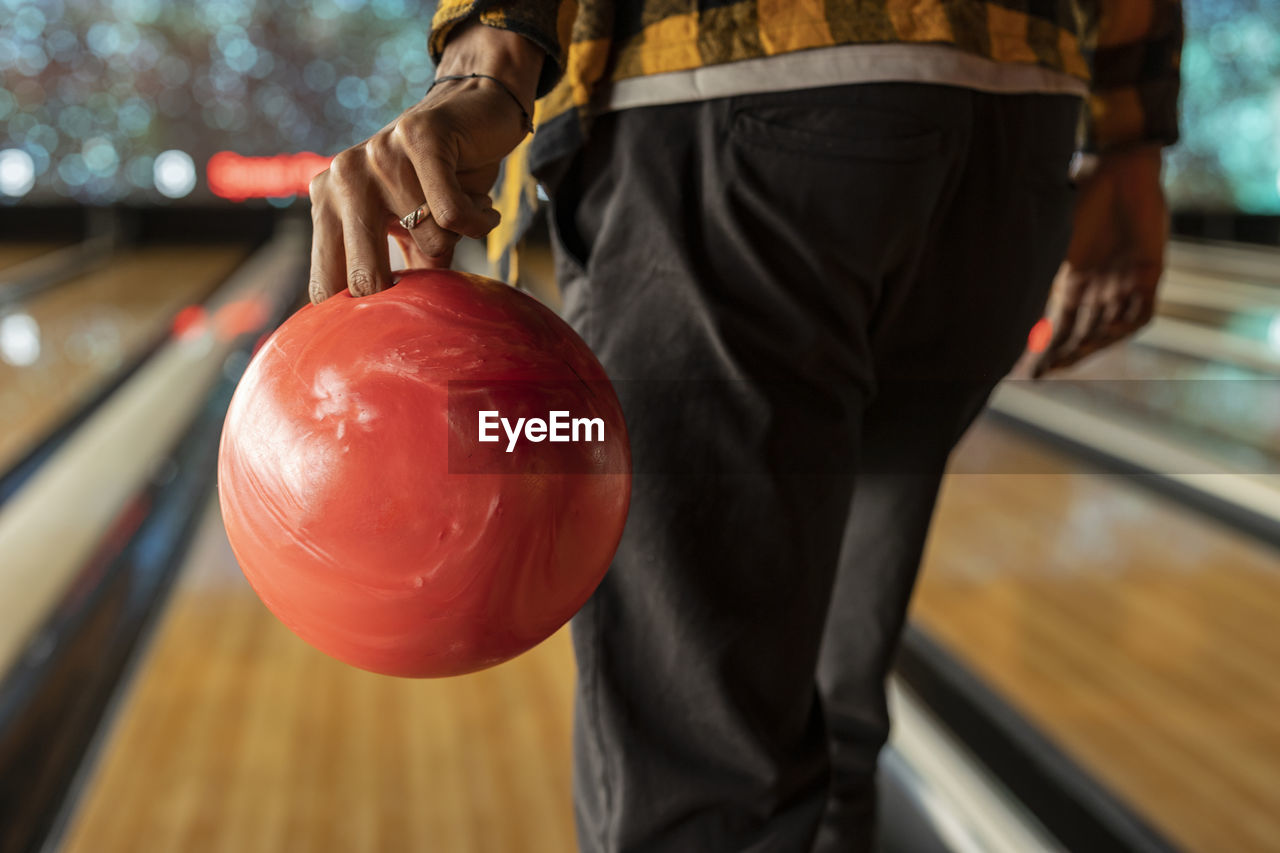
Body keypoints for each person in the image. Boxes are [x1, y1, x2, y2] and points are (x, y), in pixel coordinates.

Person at [307, 2, 1183, 850]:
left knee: (698, 780)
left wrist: (489, 57)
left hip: (734, 93)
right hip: (1014, 129)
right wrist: (1132, 140)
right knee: (834, 715)